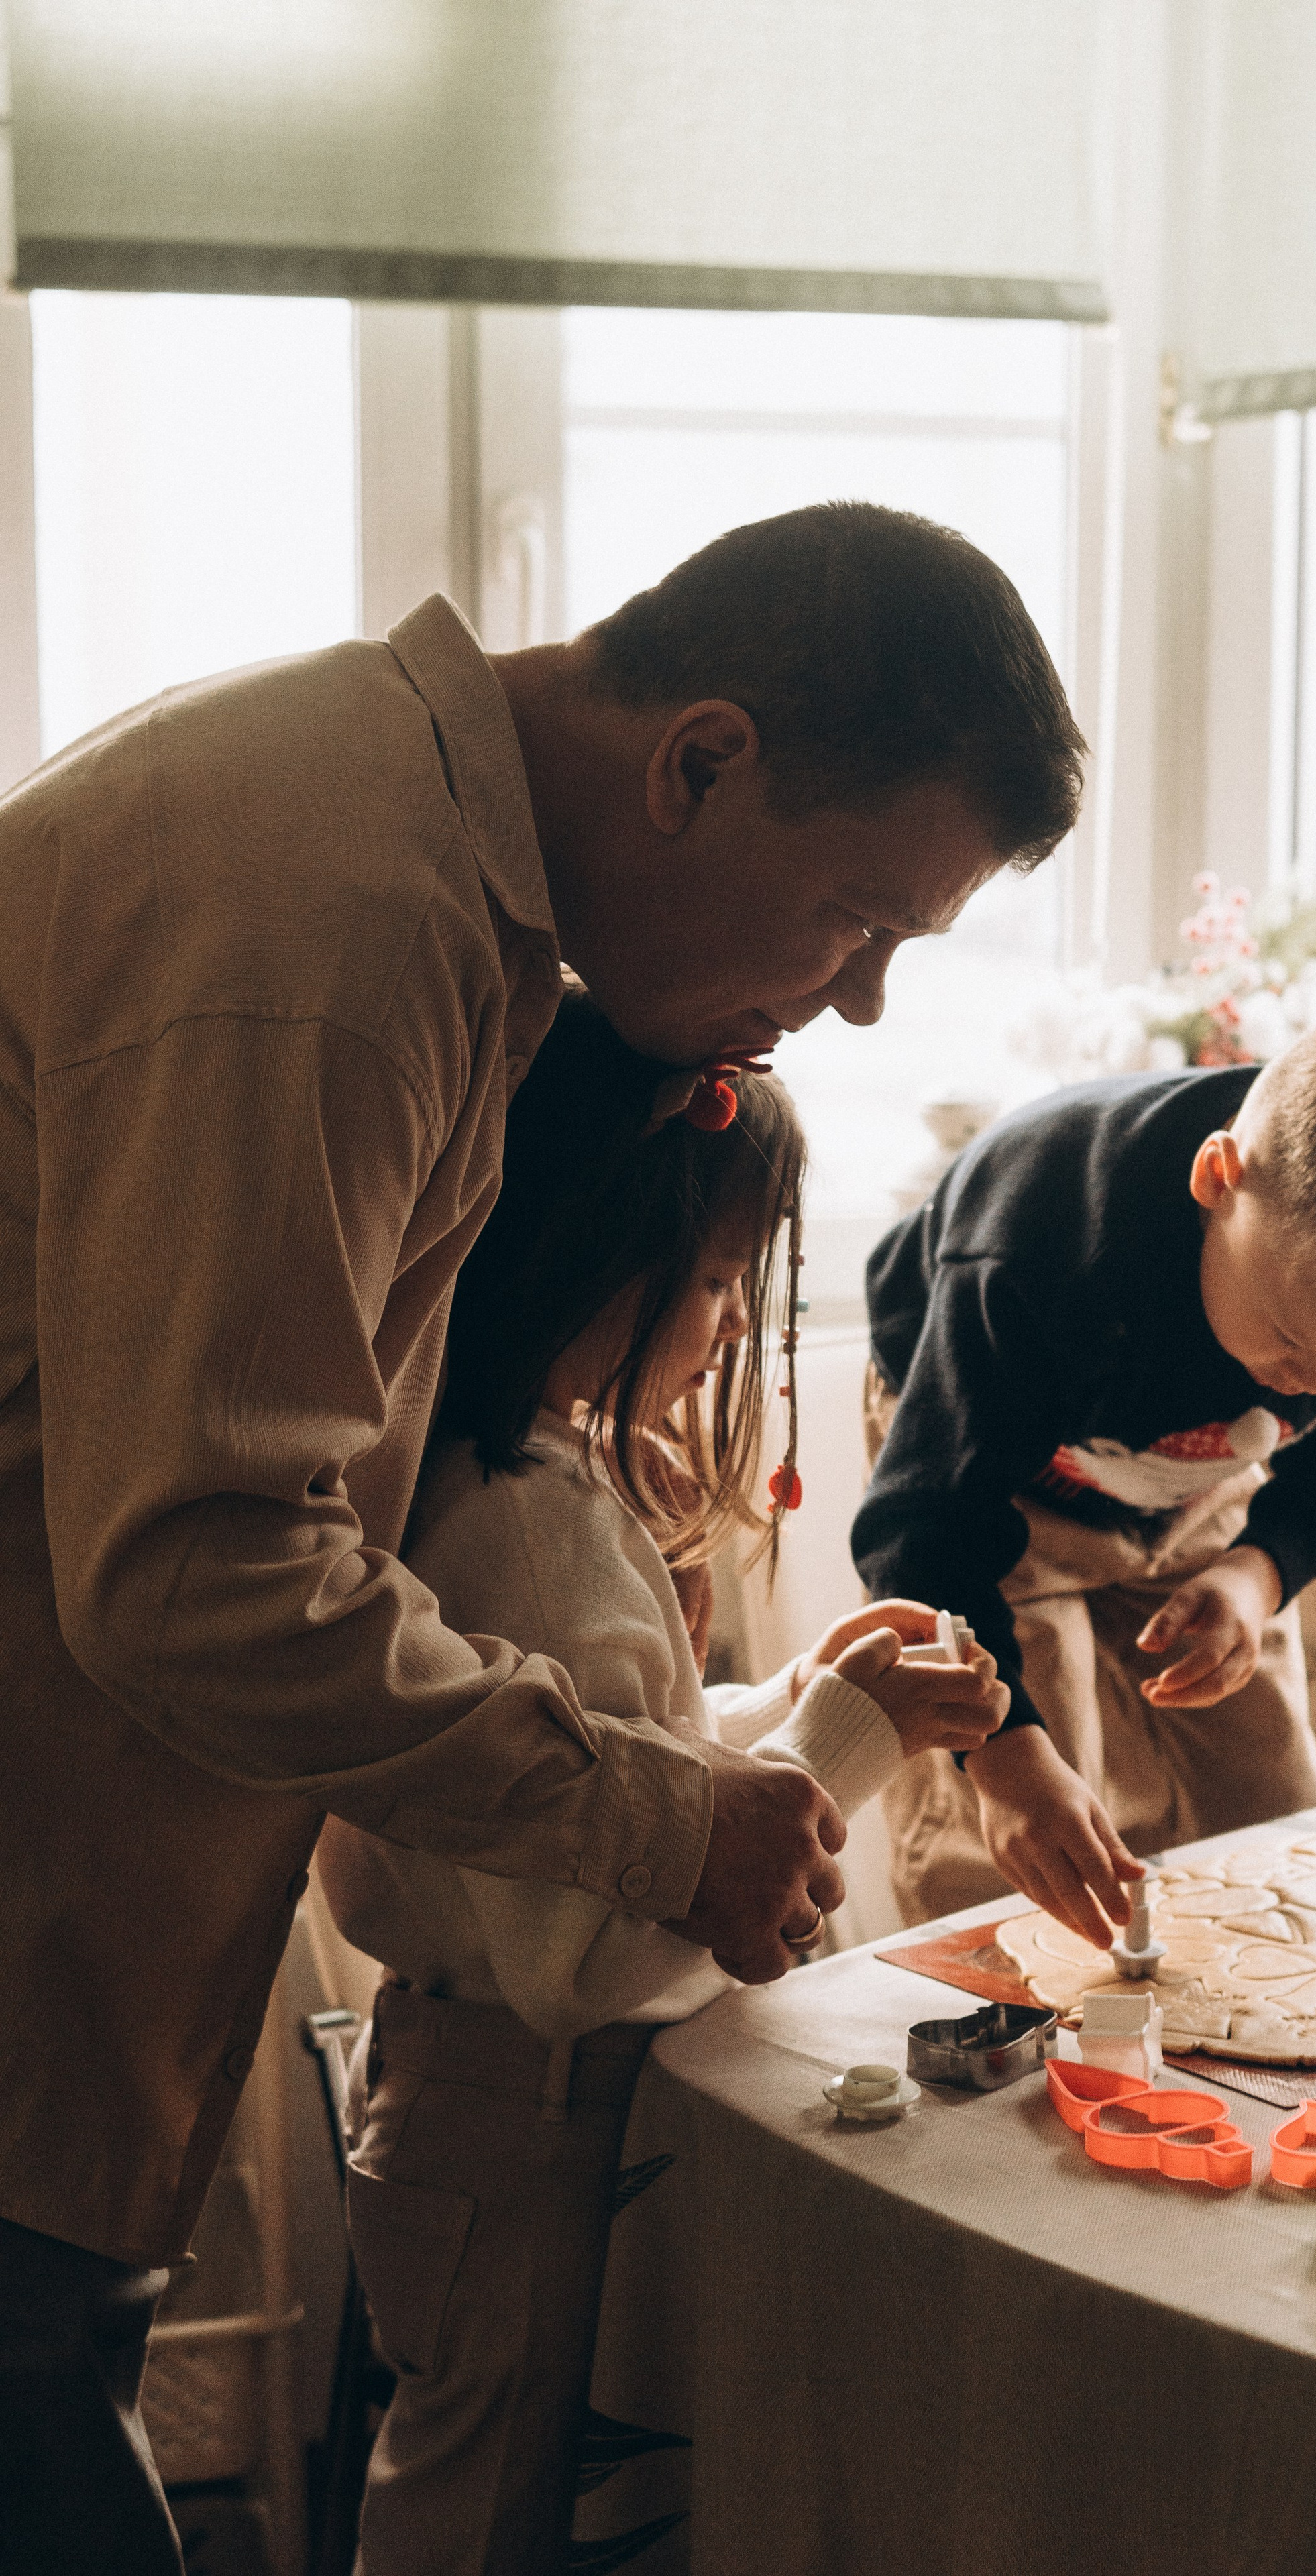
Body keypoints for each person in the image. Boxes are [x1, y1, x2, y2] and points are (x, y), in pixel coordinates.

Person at [0, 500, 1082, 2569]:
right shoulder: (333, 909)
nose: (854, 1003)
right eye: (858, 917)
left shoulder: (403, 863)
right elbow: (192, 1560)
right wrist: (666, 1816)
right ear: (699, 759)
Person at [316, 996, 1007, 2575]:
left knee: (481, 2498)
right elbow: (603, 1943)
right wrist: (856, 1738)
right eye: (706, 1282)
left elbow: (614, 1753)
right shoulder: (525, 1521)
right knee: (491, 2523)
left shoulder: (501, 1477)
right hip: (528, 2121)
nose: (715, 1326)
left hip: (473, 2097)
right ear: (586, 1257)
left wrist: (799, 1698)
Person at [852, 1001, 1316, 1944]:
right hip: (989, 1475)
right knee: (1023, 1845)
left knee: (1273, 1796)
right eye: (1294, 1341)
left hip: (1193, 1482)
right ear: (1219, 1178)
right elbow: (923, 1535)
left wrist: (1253, 1572)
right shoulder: (1036, 1245)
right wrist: (1006, 1757)